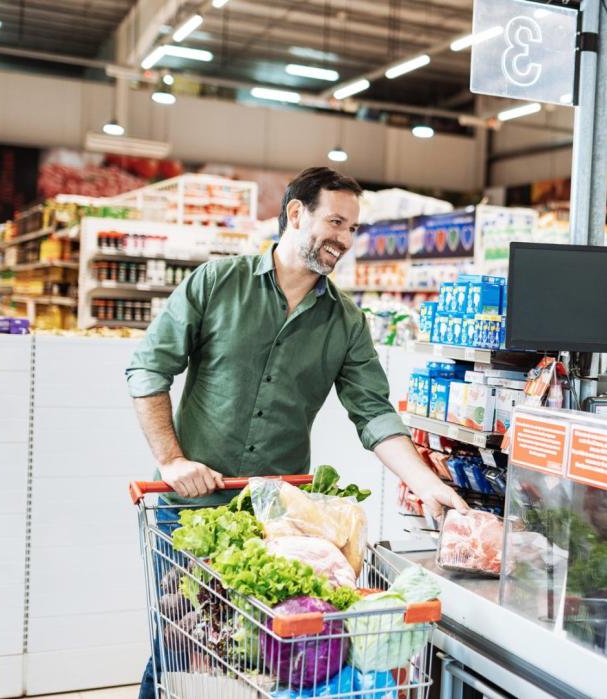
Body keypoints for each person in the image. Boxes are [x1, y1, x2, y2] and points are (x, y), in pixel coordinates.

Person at [126, 167, 466, 698]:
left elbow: (373, 413)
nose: (344, 239)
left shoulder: (345, 322)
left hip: (274, 522)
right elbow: (148, 369)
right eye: (335, 222)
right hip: (187, 511)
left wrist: (425, 482)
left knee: (254, 663)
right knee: (180, 649)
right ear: (295, 214)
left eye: (353, 228)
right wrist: (172, 462)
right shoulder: (219, 282)